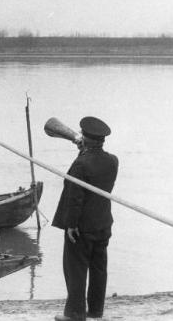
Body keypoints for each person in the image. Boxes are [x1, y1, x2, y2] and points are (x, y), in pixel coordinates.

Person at [52, 116, 118, 321]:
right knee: (99, 269)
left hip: (82, 226)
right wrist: (85, 150)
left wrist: (71, 224)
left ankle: (74, 314)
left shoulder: (80, 163)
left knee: (76, 270)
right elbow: (95, 174)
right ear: (102, 140)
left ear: (86, 139)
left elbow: (75, 196)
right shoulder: (113, 160)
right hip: (103, 224)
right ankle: (96, 312)